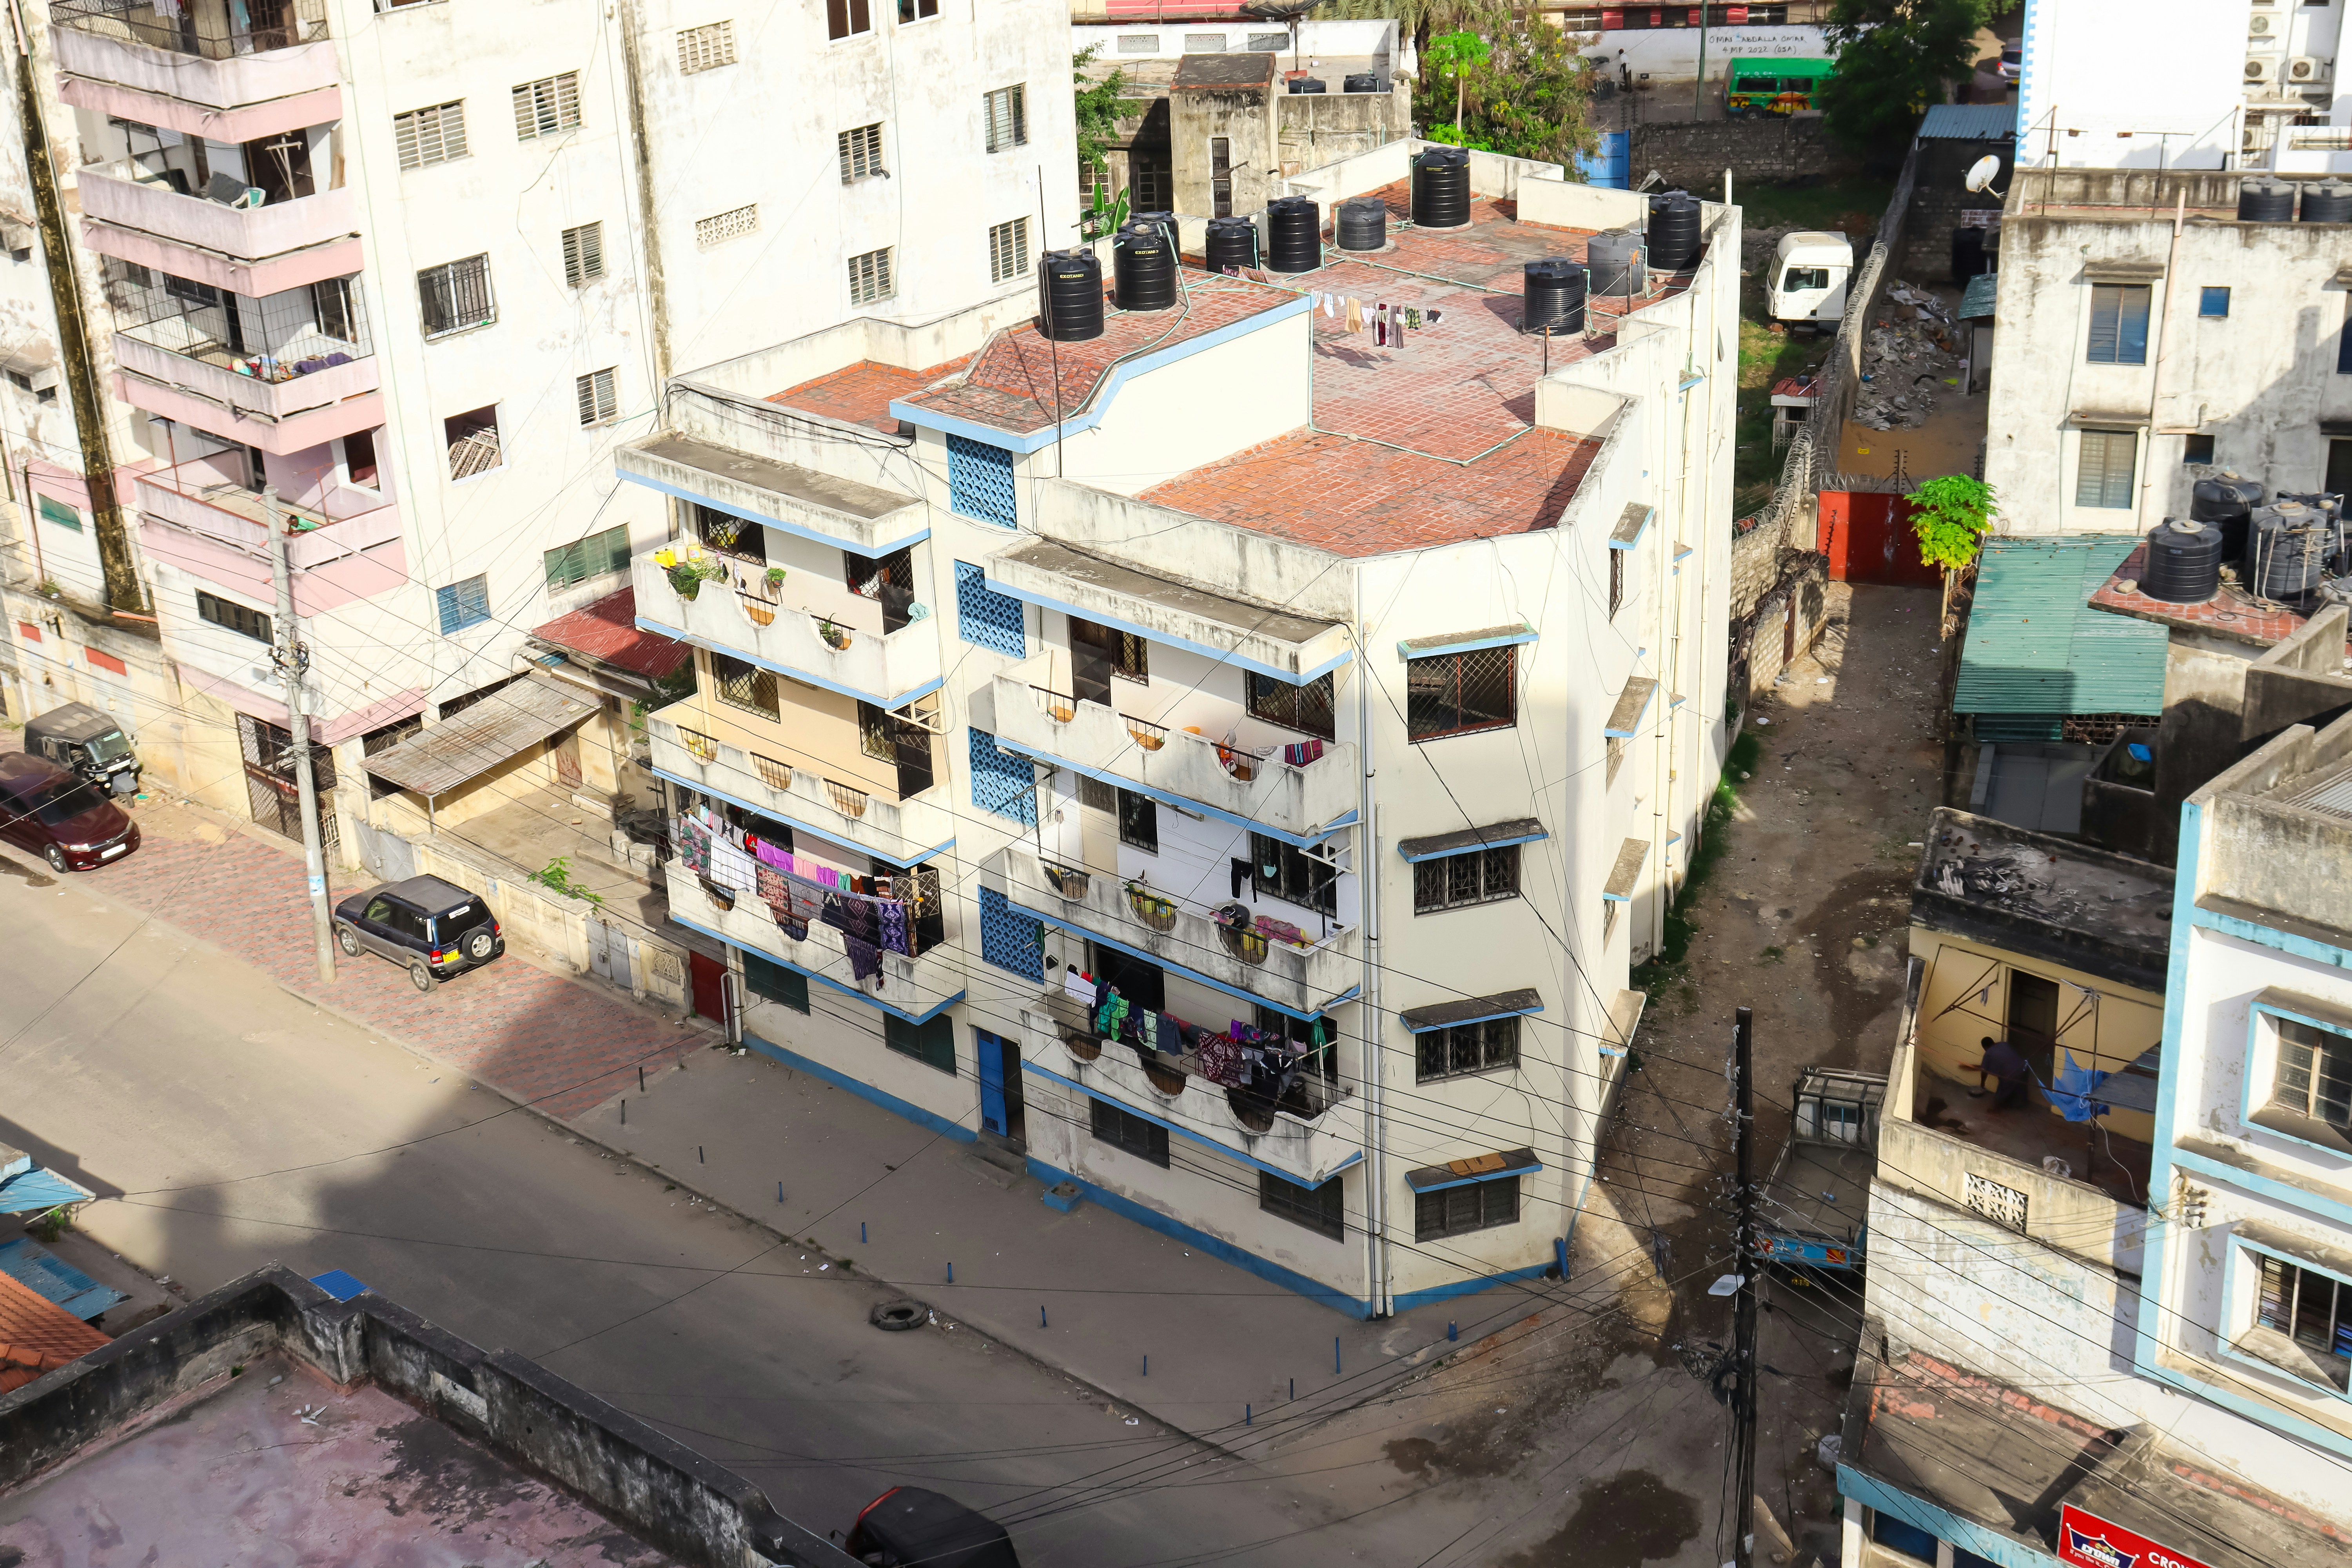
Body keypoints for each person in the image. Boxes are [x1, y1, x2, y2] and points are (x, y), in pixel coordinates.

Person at [1976, 1035, 2031, 1110]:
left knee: (2002, 1090)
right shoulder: (2004, 1044)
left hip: (2011, 1074)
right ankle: (2021, 1104)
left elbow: (1984, 1071)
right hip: (2024, 1067)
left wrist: (1982, 1084)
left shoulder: (1988, 1053)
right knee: (2021, 1086)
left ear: (1985, 1047)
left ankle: (1995, 1109)